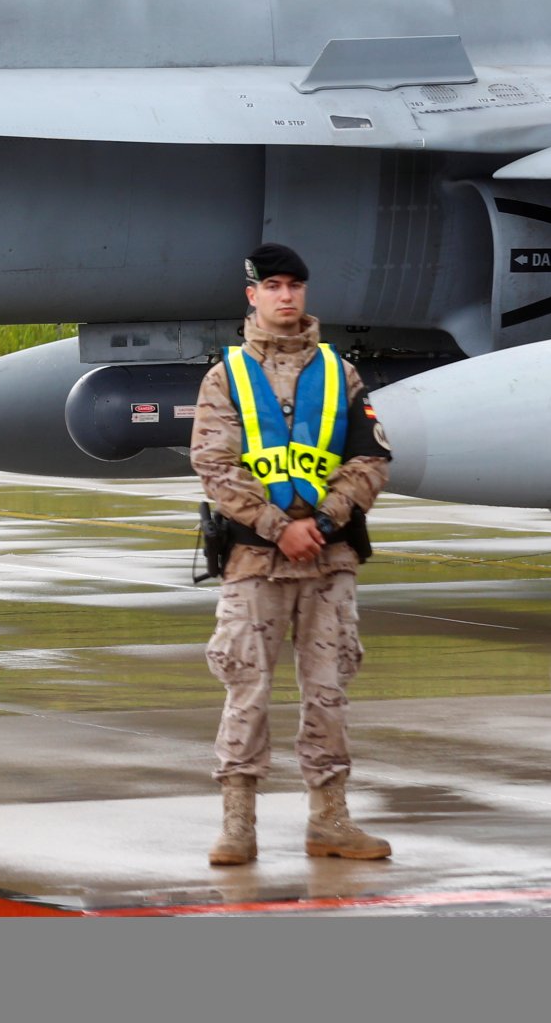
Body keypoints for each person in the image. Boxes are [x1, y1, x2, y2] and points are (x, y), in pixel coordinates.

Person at [190, 242, 393, 866]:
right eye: (272, 286)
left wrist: (326, 521)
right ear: (252, 295)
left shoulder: (341, 373)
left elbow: (371, 458)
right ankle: (237, 824)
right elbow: (213, 465)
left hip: (328, 562)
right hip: (254, 561)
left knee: (328, 690)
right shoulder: (225, 376)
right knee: (246, 690)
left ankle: (330, 820)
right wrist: (280, 528)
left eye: (294, 286)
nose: (285, 296)